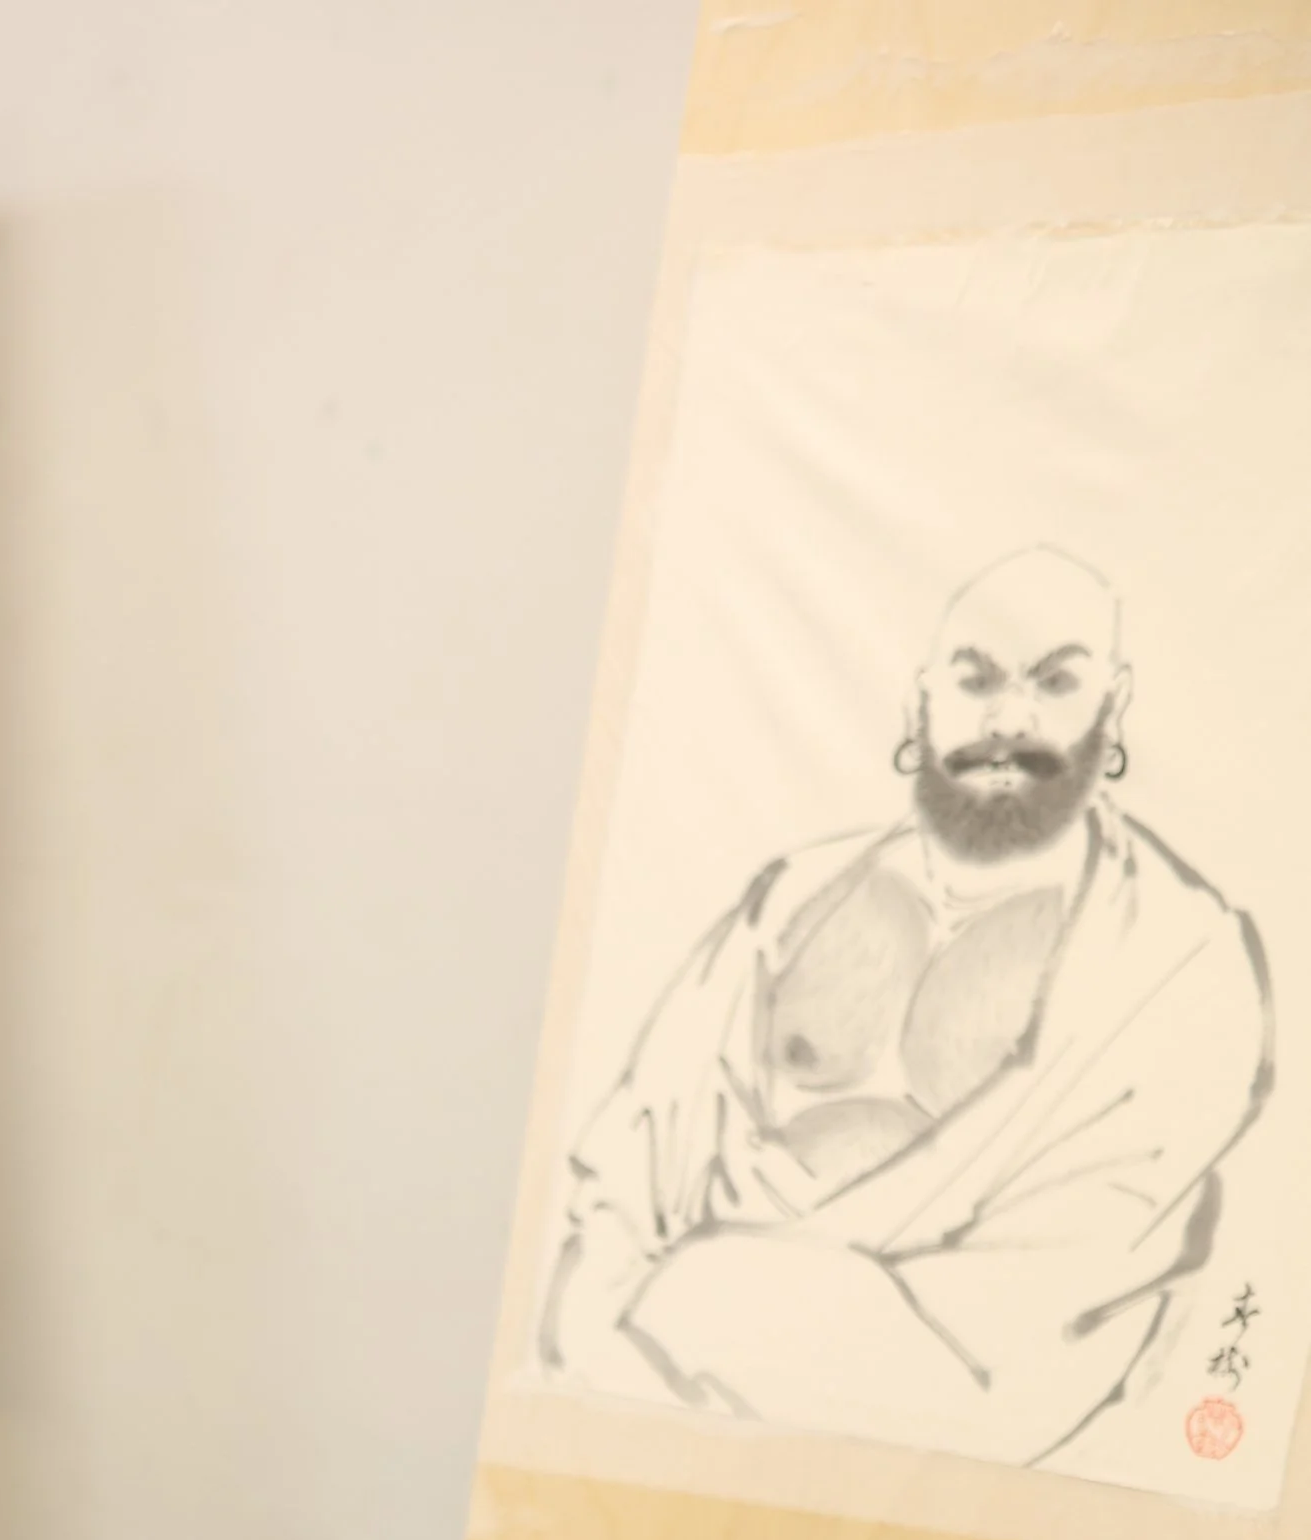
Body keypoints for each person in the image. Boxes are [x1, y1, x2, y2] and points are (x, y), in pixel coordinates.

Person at [540, 548, 1274, 1466]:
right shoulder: (792, 894)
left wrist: (698, 1294)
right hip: (647, 1414)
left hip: (931, 1472)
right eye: (976, 679)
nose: (1010, 718)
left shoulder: (1177, 962)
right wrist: (599, 1350)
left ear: (1112, 706)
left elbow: (1036, 1310)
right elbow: (629, 1158)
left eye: (1055, 681)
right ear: (919, 698)